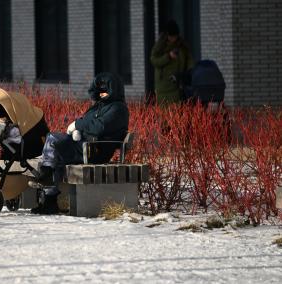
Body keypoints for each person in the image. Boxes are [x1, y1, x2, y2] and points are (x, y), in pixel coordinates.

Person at [30, 72, 129, 214]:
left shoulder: (118, 108)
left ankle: (47, 189)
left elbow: (98, 127)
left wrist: (78, 124)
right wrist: (79, 127)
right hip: (85, 145)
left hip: (95, 151)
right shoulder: (100, 106)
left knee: (53, 144)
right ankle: (49, 199)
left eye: (105, 90)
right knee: (53, 147)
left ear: (113, 90)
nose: (101, 93)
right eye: (99, 90)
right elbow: (89, 122)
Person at [150, 19, 194, 106]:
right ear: (167, 35)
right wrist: (168, 56)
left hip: (177, 84)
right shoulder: (160, 45)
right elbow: (154, 60)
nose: (173, 39)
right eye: (171, 36)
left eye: (175, 36)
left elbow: (189, 61)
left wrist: (188, 74)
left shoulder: (182, 46)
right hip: (163, 86)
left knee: (177, 113)